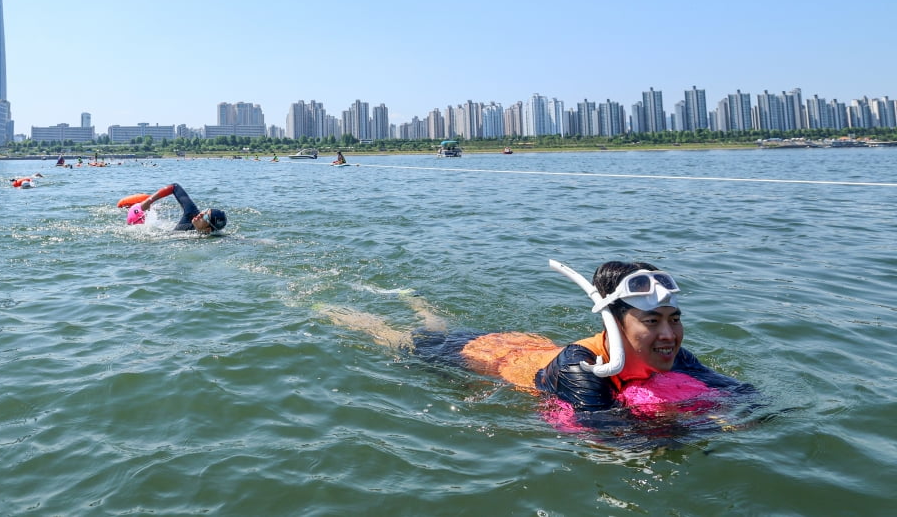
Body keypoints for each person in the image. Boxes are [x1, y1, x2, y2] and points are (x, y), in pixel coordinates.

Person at [323, 261, 754, 420]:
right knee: (393, 336)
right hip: (478, 355)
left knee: (437, 322)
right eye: (653, 322)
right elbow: (603, 427)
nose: (669, 335)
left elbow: (742, 394)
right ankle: (326, 307)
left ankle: (415, 300)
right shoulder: (580, 366)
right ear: (615, 324)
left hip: (522, 341)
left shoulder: (676, 354)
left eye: (674, 319)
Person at [137, 183, 227, 233]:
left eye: (206, 217)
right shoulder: (191, 214)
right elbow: (175, 187)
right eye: (205, 211)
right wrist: (149, 201)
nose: (201, 214)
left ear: (208, 230)